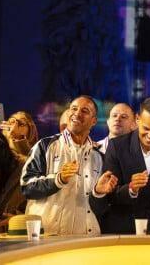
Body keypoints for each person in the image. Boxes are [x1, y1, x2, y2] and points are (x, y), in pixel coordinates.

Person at [90, 96, 150, 234]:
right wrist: (131, 189)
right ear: (138, 119)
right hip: (120, 229)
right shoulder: (117, 146)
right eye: (146, 128)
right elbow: (110, 194)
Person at [21, 95, 103, 235]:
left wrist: (100, 193)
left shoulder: (99, 156)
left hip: (86, 237)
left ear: (94, 121)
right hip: (47, 235)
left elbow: (100, 205)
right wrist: (58, 179)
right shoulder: (45, 146)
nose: (77, 113)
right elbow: (27, 187)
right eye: (74, 109)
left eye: (85, 111)